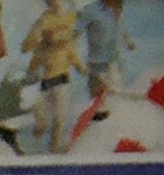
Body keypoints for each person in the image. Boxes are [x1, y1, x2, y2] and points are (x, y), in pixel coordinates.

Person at [22, 0, 81, 149]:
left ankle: (54, 145)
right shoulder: (44, 23)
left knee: (59, 118)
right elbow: (28, 50)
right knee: (41, 117)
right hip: (46, 82)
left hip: (62, 80)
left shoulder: (70, 18)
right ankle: (41, 133)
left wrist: (80, 67)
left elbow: (72, 52)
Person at [76, 0, 134, 102]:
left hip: (116, 63)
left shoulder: (118, 7)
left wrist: (128, 41)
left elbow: (120, 27)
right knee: (98, 100)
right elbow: (76, 32)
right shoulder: (90, 9)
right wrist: (75, 58)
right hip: (97, 65)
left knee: (114, 99)